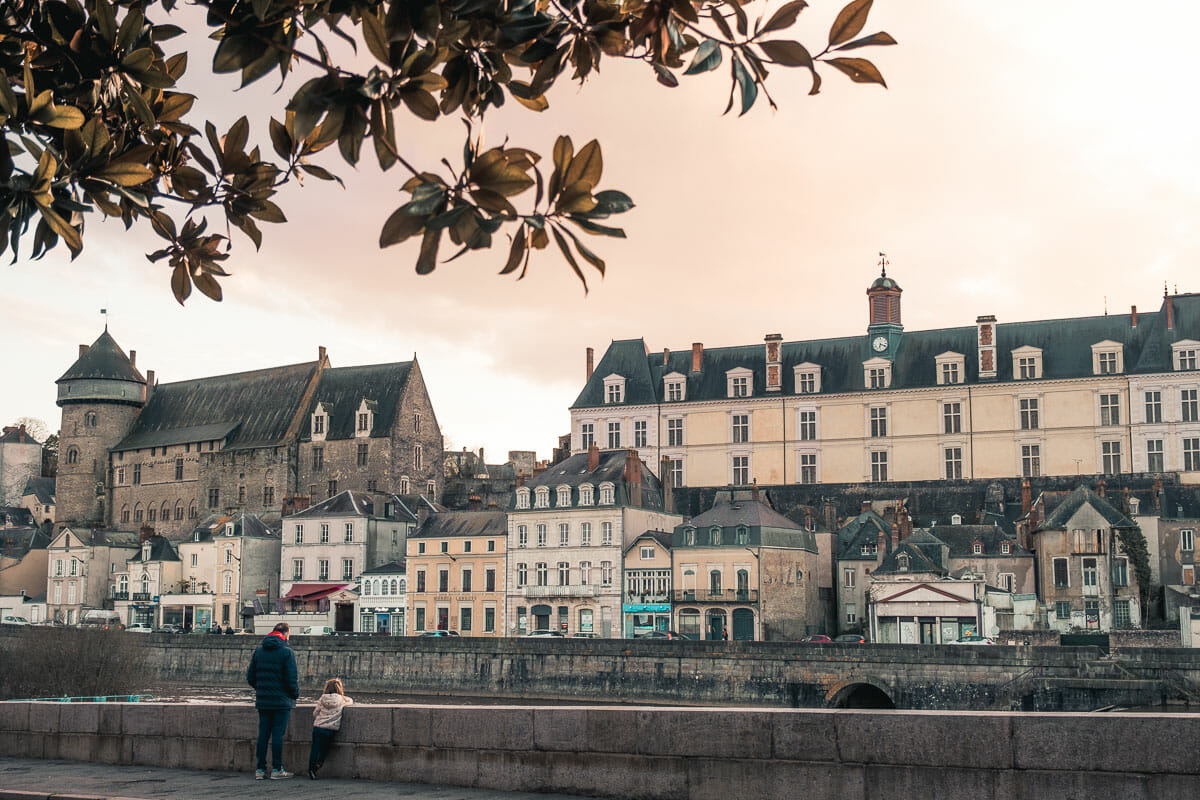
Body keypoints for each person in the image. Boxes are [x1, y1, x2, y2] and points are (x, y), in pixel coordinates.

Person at [245, 622, 299, 780]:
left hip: (263, 700)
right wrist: (294, 695)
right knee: (277, 735)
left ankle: (260, 770)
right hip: (282, 701)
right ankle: (277, 769)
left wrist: (261, 689)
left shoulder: (259, 651)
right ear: (286, 634)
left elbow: (250, 677)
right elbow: (291, 679)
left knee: (263, 735)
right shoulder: (287, 652)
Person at [307, 677, 354, 779]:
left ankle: (311, 769)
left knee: (315, 749)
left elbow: (315, 713)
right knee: (325, 749)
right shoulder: (342, 700)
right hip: (330, 729)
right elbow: (350, 701)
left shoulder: (322, 698)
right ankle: (319, 764)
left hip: (318, 727)